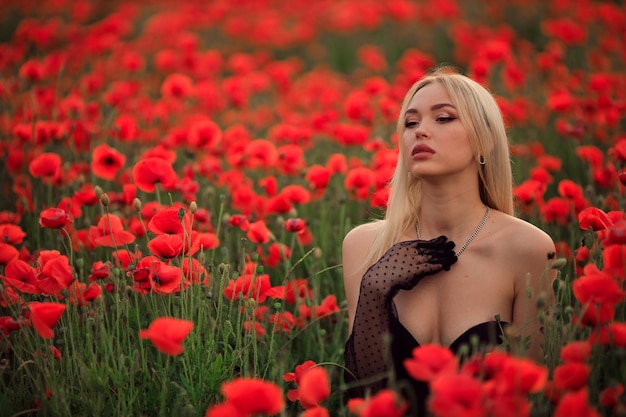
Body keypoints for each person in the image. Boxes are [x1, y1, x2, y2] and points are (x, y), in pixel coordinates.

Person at [342, 67, 557, 414]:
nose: (421, 131)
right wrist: (374, 292)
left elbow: (532, 397)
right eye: (410, 123)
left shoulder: (528, 249)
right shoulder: (364, 246)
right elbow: (361, 397)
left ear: (485, 139)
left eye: (443, 118)